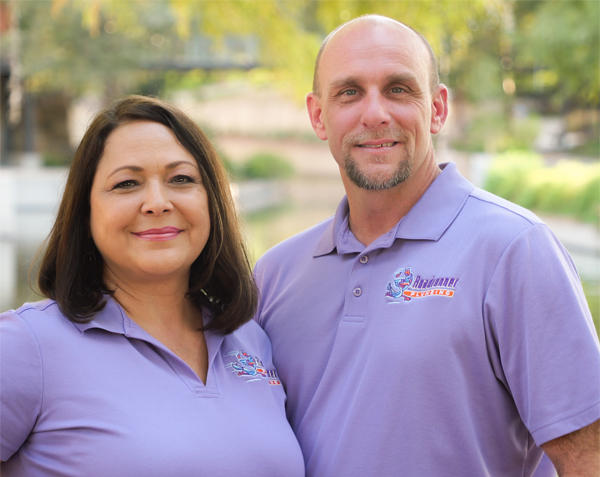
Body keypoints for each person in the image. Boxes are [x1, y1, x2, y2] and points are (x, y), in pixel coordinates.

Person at [254, 15, 600, 477]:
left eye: (398, 89)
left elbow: (588, 459)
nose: (374, 113)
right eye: (349, 92)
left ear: (437, 108)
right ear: (319, 115)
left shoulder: (514, 250)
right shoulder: (275, 274)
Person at [0, 96, 305, 476]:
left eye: (181, 179)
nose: (157, 203)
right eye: (127, 183)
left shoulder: (251, 340)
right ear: (85, 210)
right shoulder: (26, 347)